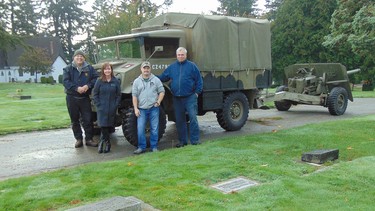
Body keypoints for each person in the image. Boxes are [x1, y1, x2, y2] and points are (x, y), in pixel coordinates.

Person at [158, 47, 203, 147]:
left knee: (193, 118)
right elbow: (163, 77)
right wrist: (151, 76)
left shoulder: (192, 66)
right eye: (179, 55)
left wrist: (196, 93)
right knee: (179, 120)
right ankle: (182, 141)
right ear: (176, 55)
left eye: (182, 55)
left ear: (186, 55)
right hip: (177, 98)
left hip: (190, 97)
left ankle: (195, 140)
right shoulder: (172, 67)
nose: (180, 56)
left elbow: (199, 80)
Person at [63, 49, 99, 148]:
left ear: (84, 58)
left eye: (81, 56)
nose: (79, 58)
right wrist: (76, 88)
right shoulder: (68, 69)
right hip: (72, 97)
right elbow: (66, 81)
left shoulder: (89, 68)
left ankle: (89, 139)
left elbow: (96, 78)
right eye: (77, 56)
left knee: (87, 119)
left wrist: (87, 86)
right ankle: (78, 139)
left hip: (84, 97)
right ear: (74, 58)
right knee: (74, 120)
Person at [132, 61, 165, 154]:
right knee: (140, 128)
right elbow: (134, 96)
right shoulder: (137, 81)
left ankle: (154, 147)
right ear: (141, 69)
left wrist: (158, 101)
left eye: (148, 68)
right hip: (141, 109)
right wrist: (135, 108)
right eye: (144, 68)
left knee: (154, 128)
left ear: (150, 69)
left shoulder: (156, 80)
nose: (146, 70)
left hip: (153, 108)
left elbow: (162, 91)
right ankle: (141, 147)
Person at [92, 62, 121, 153]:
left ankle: (102, 141)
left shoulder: (115, 81)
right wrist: (98, 105)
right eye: (105, 69)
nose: (107, 71)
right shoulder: (99, 81)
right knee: (103, 125)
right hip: (102, 107)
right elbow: (95, 94)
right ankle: (107, 143)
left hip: (111, 107)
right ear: (103, 71)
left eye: (109, 69)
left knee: (108, 125)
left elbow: (118, 95)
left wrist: (115, 105)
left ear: (111, 70)